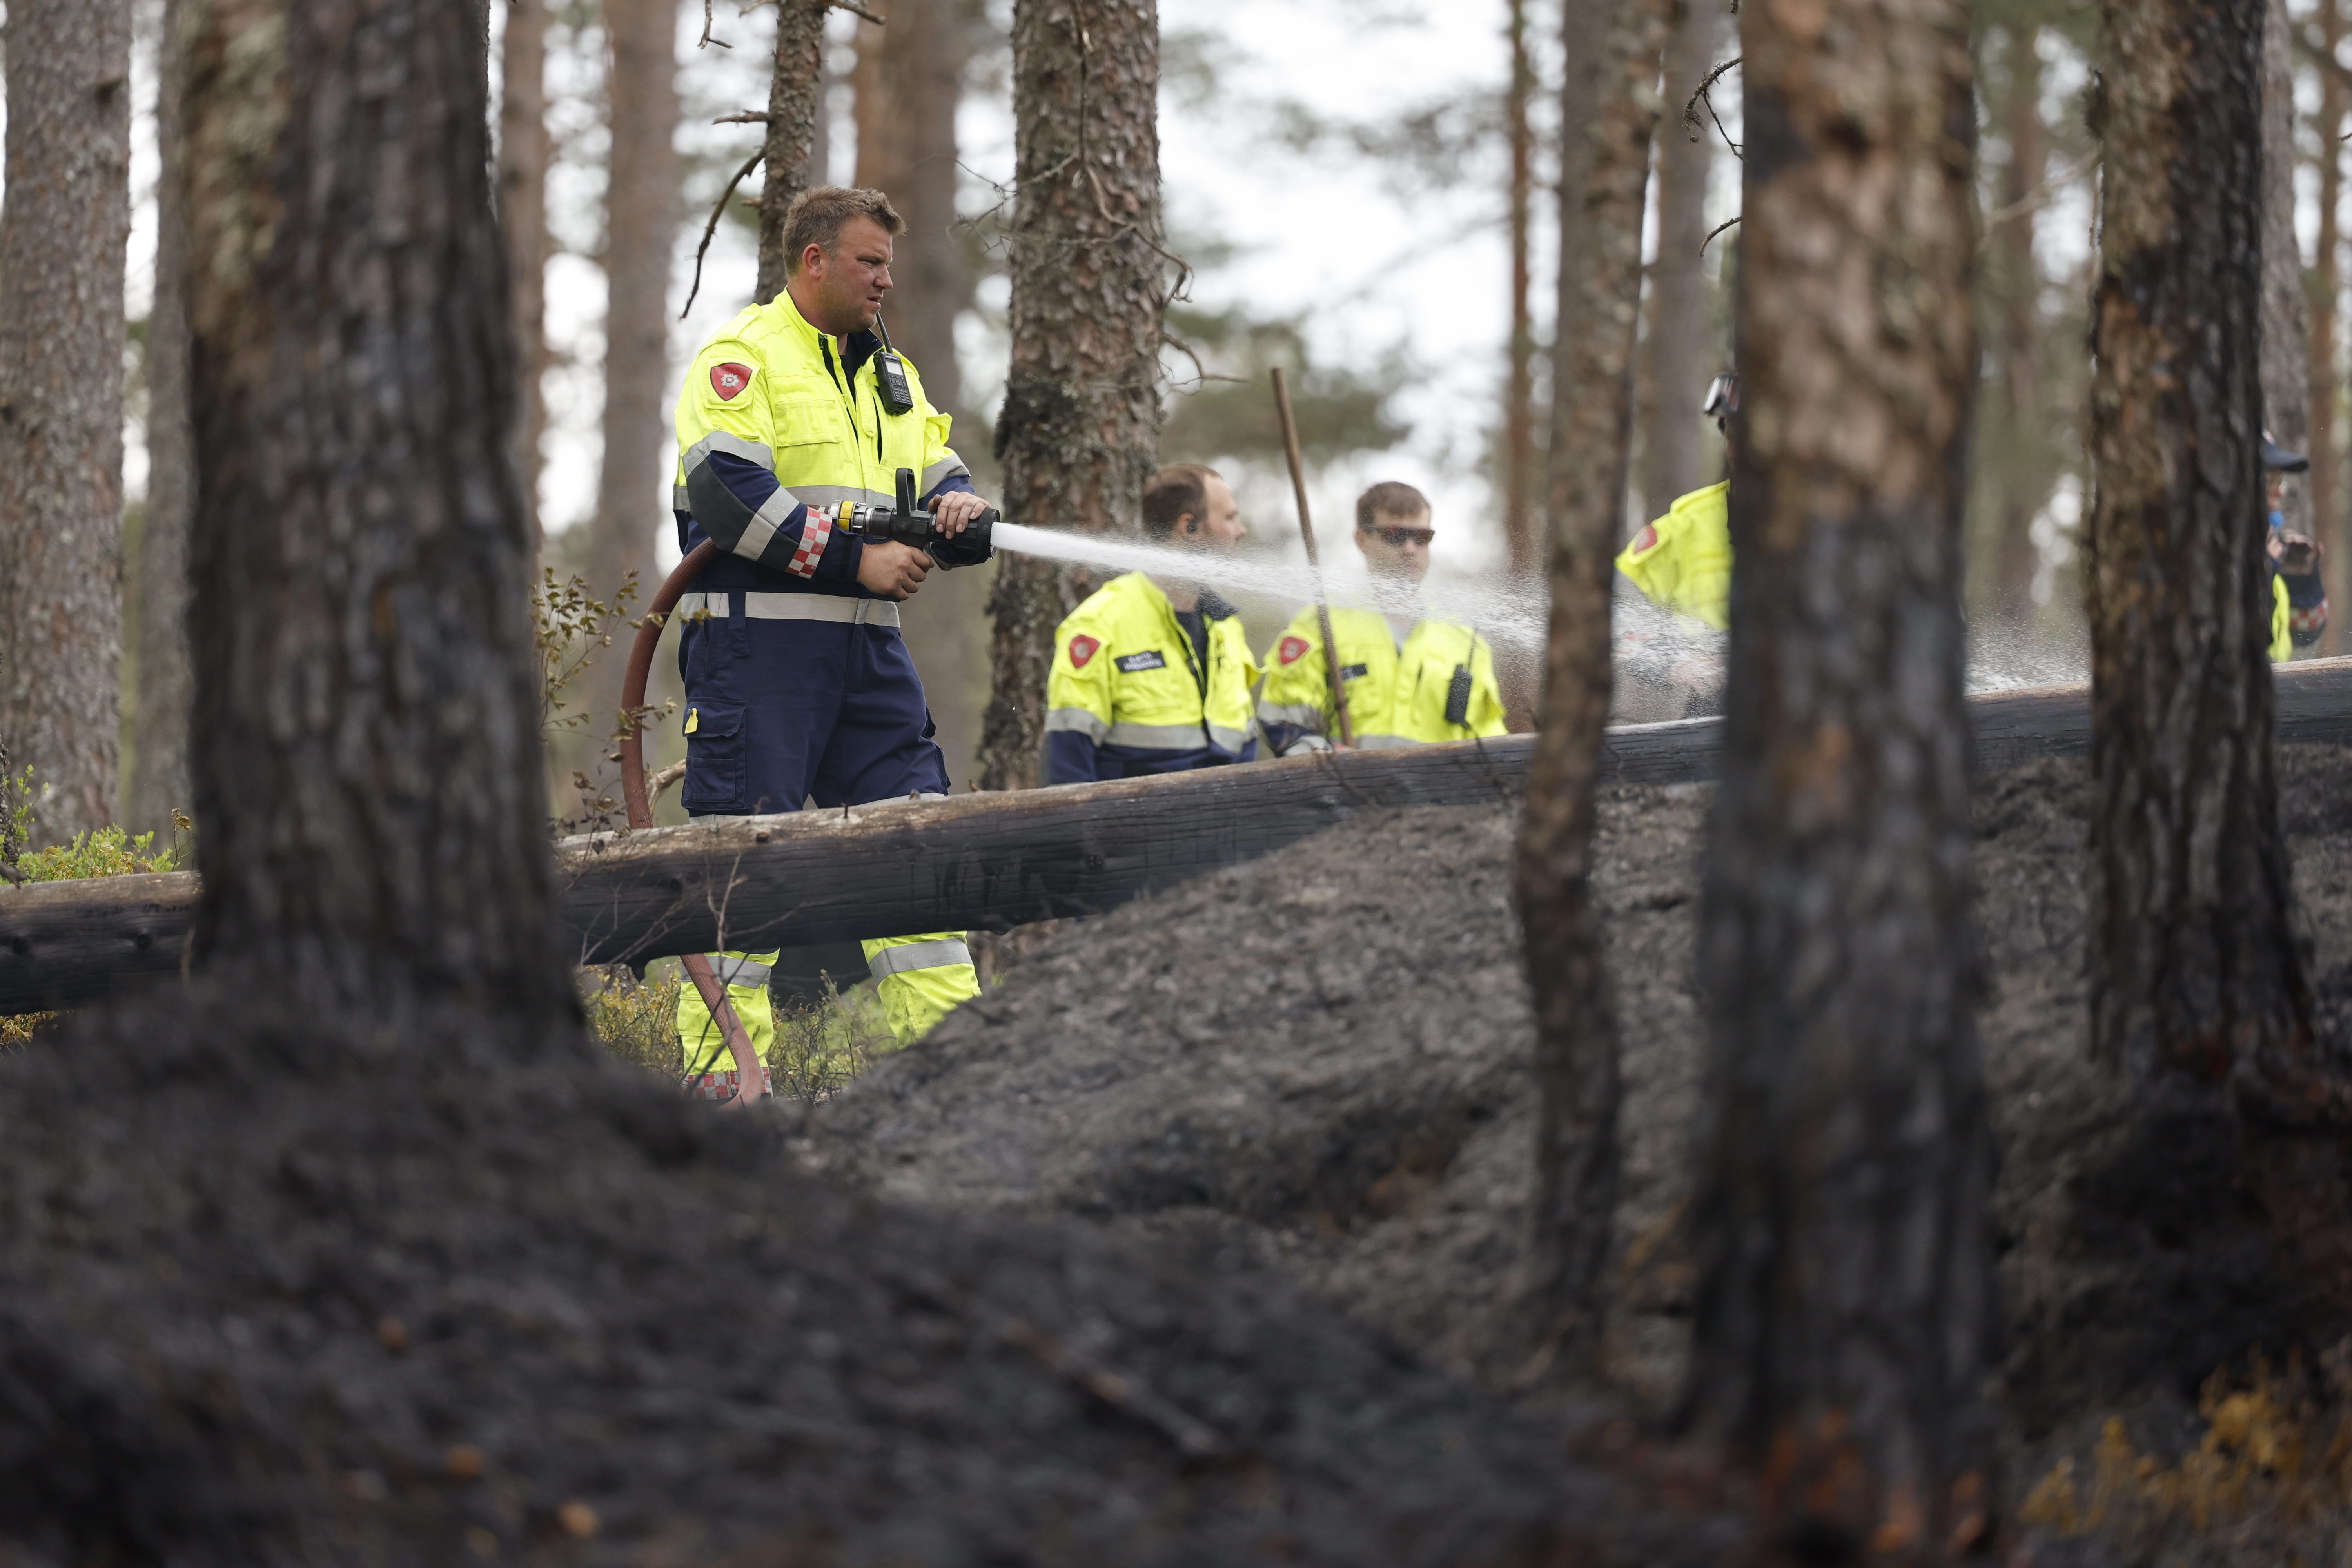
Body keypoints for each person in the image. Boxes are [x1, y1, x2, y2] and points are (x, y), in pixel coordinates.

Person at [668, 186, 984, 1098]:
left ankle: (959, 1082)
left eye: (888, 262)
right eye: (868, 262)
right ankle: (725, 1096)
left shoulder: (894, 373)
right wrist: (859, 563)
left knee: (914, 855)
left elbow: (937, 467)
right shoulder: (744, 359)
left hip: (868, 656)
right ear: (815, 261)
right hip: (756, 655)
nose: (887, 279)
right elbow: (728, 499)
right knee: (741, 872)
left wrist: (959, 507)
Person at [1043, 465, 1259, 784]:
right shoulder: (1100, 625)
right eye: (1229, 517)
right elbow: (1067, 765)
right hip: (1129, 828)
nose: (1240, 530)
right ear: (1190, 527)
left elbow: (1244, 745)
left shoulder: (1225, 626)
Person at [1255, 481, 1507, 754]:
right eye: (1395, 535)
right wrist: (1336, 766)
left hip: (1441, 797)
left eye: (1422, 537)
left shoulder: (1467, 643)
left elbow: (1490, 745)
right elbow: (1282, 723)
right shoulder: (1320, 626)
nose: (1410, 548)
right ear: (1361, 540)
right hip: (1345, 794)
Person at [2263, 433, 2328, 660]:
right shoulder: (2211, 549)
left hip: (2270, 691)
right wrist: (2265, 569)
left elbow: (2305, 639)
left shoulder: (2271, 546)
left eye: (2279, 480)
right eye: (2270, 480)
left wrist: (2303, 580)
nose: (2280, 491)